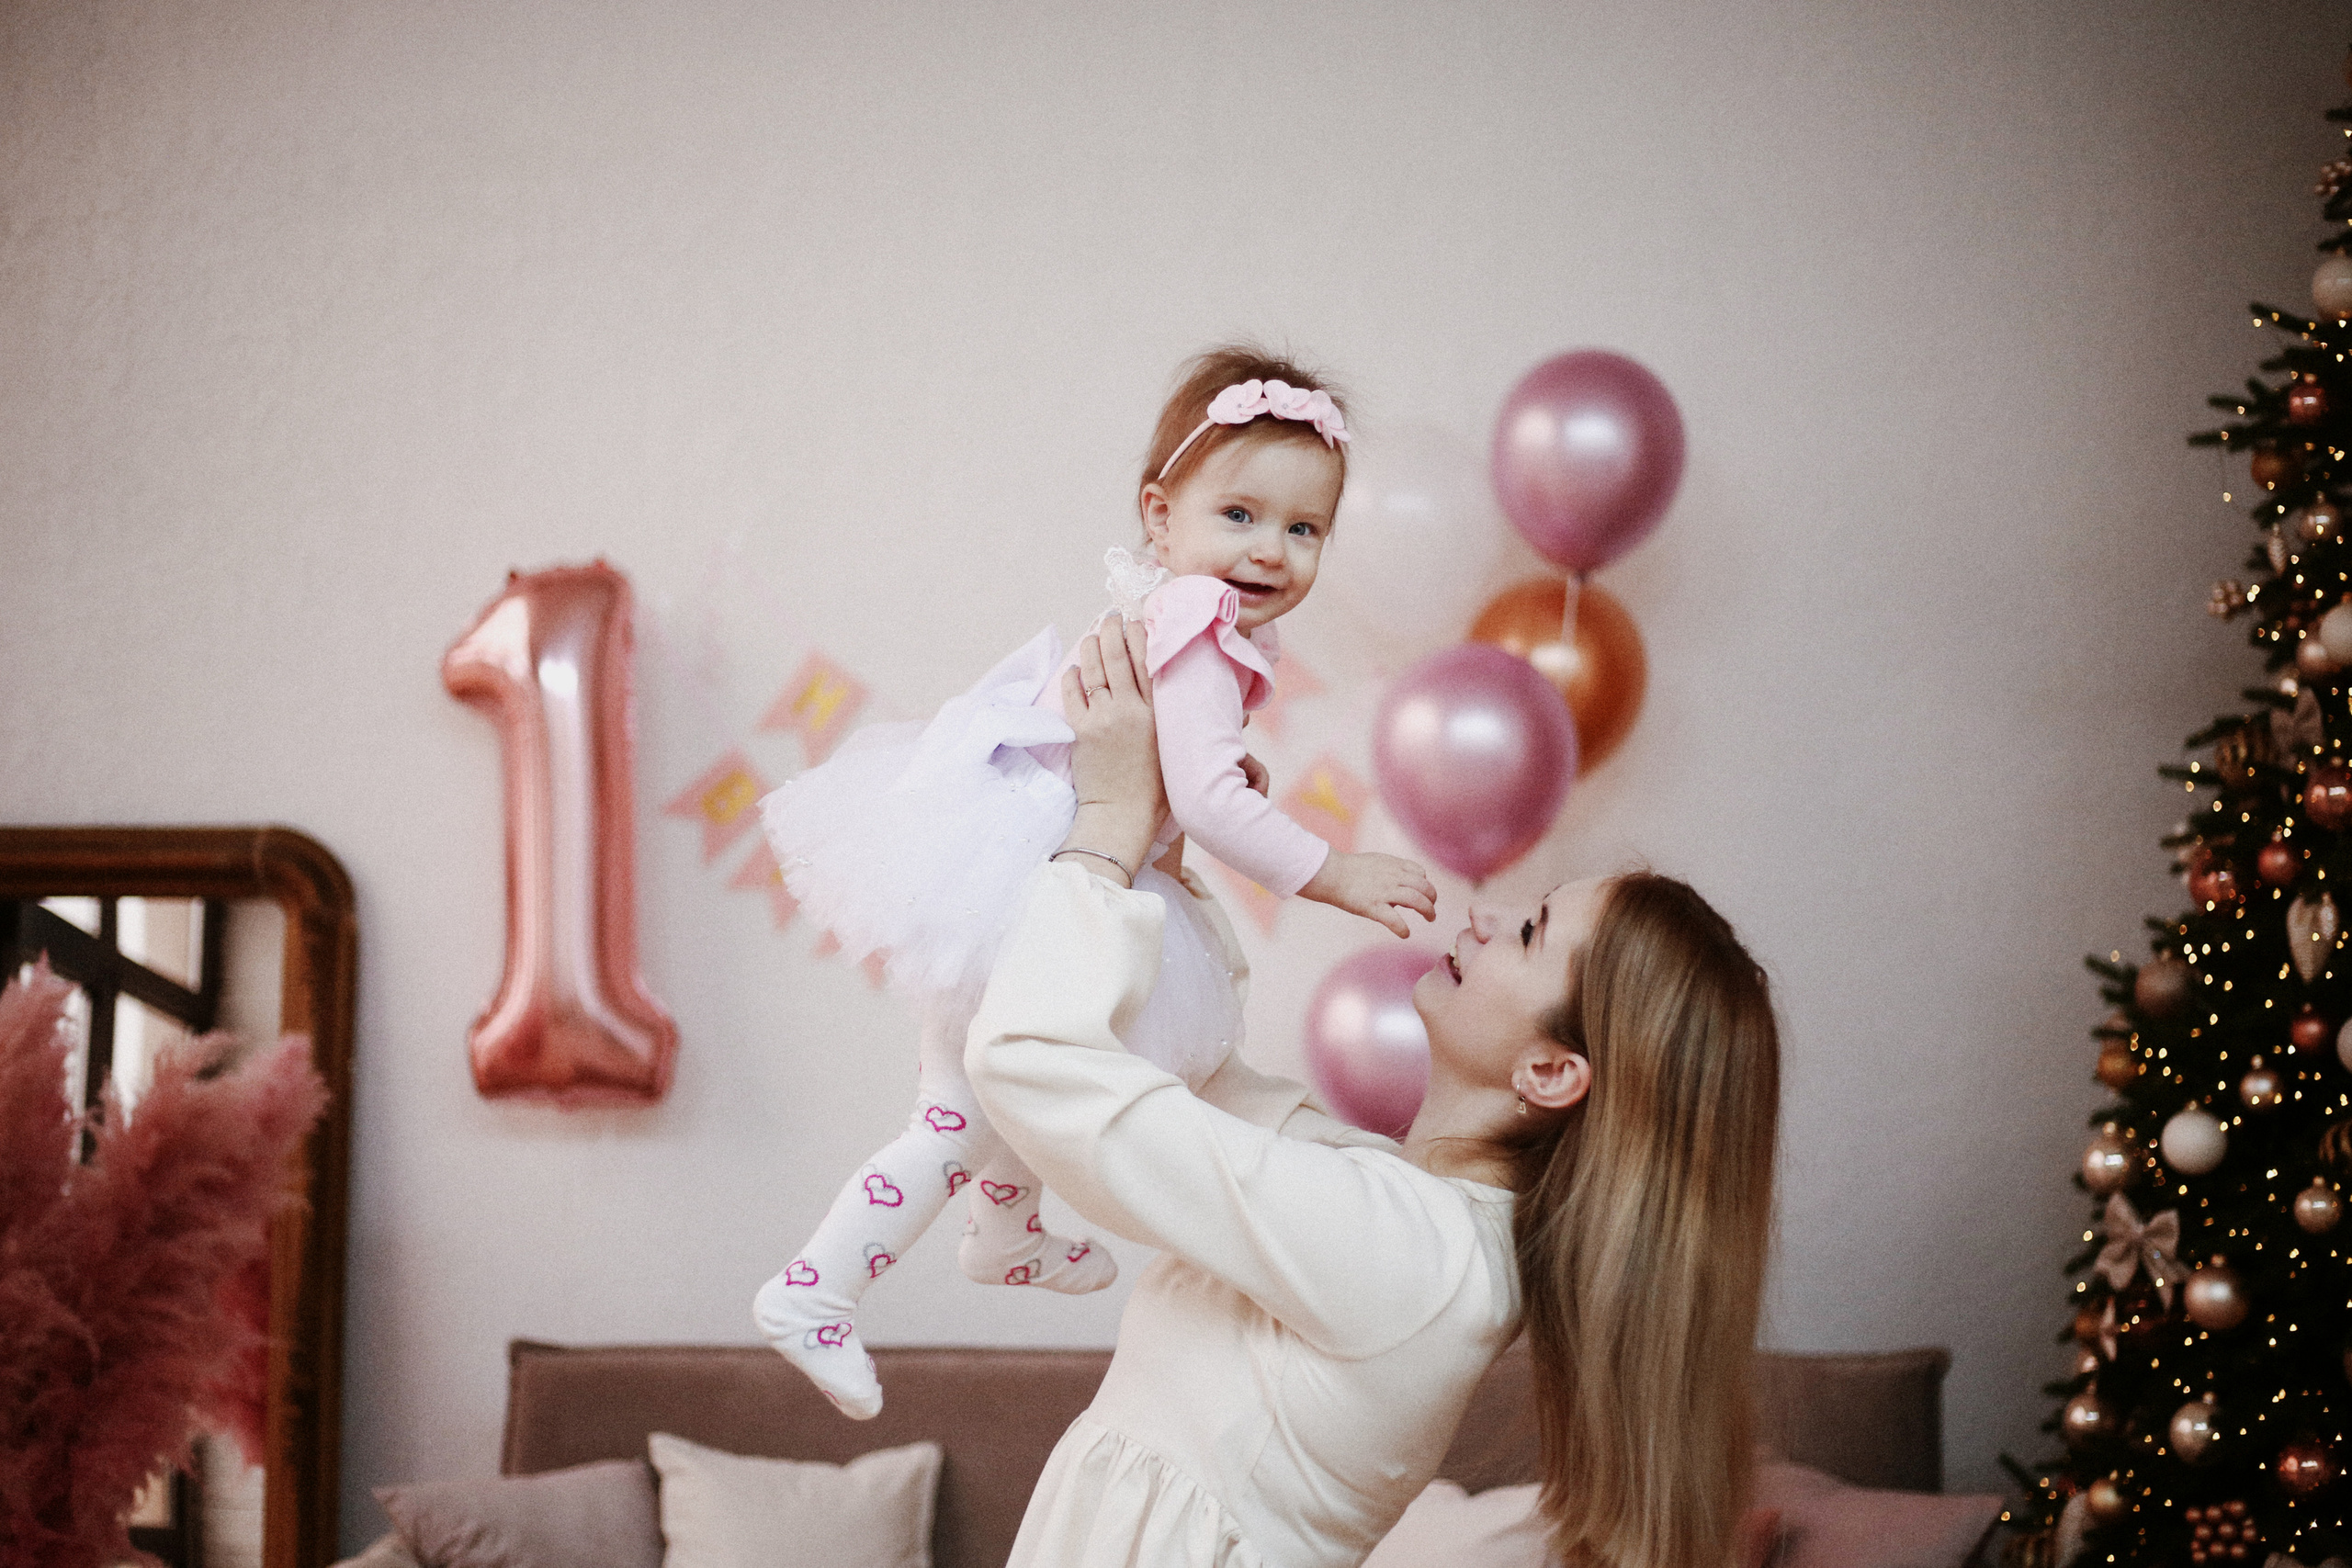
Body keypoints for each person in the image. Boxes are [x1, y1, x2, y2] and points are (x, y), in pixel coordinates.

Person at [964, 620, 1782, 1568]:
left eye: (1529, 934)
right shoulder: (1393, 1201)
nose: (1487, 916)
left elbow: (1035, 1066)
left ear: (1551, 1073)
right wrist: (1162, 853)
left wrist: (1105, 826)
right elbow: (1190, 1077)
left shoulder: (1414, 1258)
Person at [754, 346, 1439, 1418]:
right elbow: (1211, 807)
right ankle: (816, 1290)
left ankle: (1002, 1231)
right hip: (1039, 888)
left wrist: (1193, 781)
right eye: (1242, 515)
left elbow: (1177, 776)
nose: (1272, 551)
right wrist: (1334, 870)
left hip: (1006, 868)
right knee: (965, 1109)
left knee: (990, 1087)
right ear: (1160, 515)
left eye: (1304, 530)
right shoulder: (1205, 635)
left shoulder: (1170, 611)